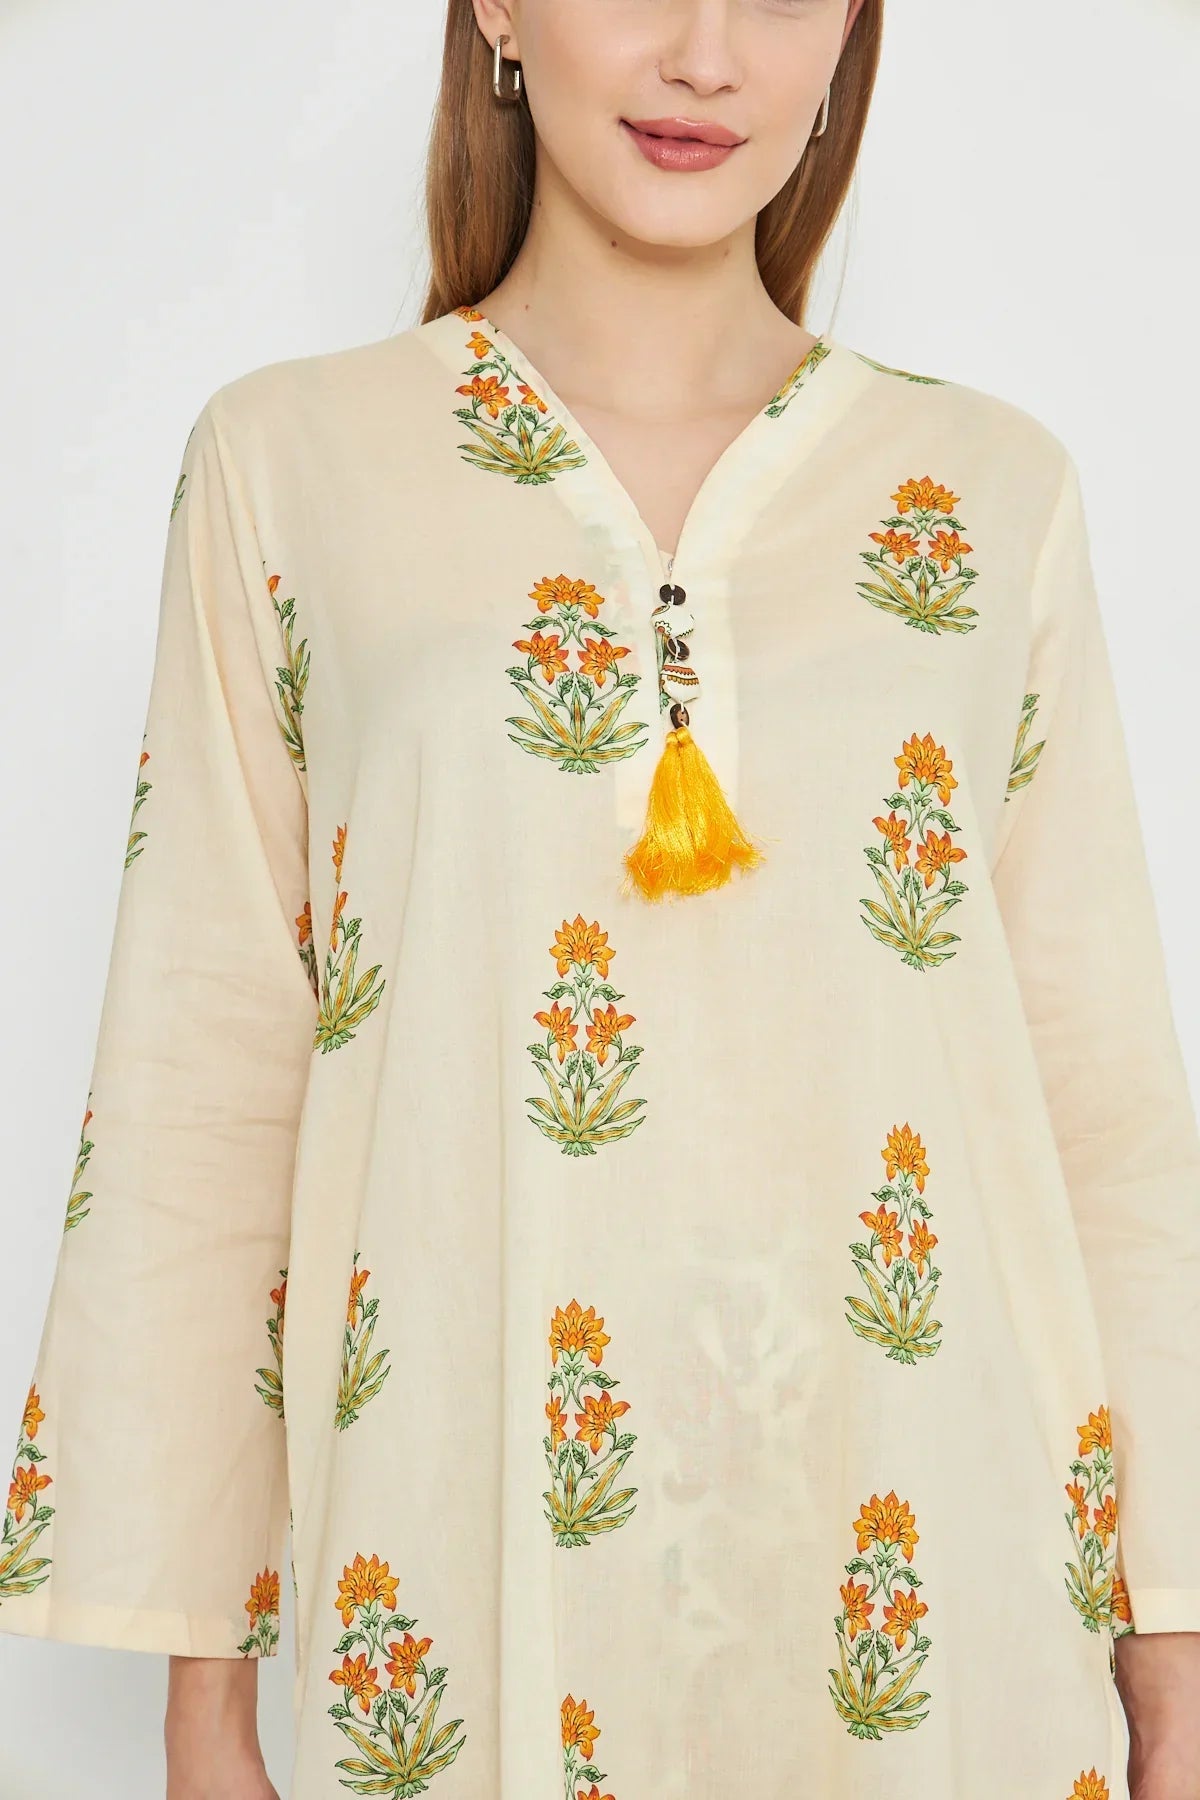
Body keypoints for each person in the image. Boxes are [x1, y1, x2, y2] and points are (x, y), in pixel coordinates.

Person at [4, 0, 1199, 1795]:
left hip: (951, 1608)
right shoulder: (290, 463)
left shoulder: (991, 492)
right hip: (462, 1586)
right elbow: (203, 1076)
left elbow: (1102, 1109)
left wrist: (1172, 1654)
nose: (707, 57)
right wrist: (204, 1701)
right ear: (498, 7)